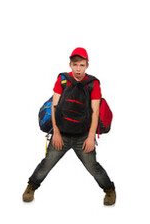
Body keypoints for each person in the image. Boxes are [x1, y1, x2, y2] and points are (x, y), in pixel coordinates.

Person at [23, 47, 117, 206]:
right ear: (70, 65)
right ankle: (31, 186)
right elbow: (54, 107)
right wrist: (57, 133)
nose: (78, 69)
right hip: (62, 134)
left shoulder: (93, 84)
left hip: (83, 136)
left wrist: (90, 138)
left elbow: (95, 112)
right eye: (75, 65)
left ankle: (109, 190)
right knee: (47, 163)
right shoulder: (62, 80)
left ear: (87, 65)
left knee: (93, 167)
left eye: (81, 65)